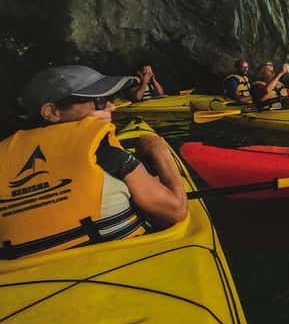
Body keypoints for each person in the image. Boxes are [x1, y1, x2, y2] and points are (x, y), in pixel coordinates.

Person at [0, 65, 188, 259]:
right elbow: (176, 210)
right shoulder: (105, 153)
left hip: (29, 280)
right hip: (119, 266)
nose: (111, 107)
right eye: (99, 101)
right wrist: (158, 149)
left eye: (109, 100)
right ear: (52, 112)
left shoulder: (4, 157)